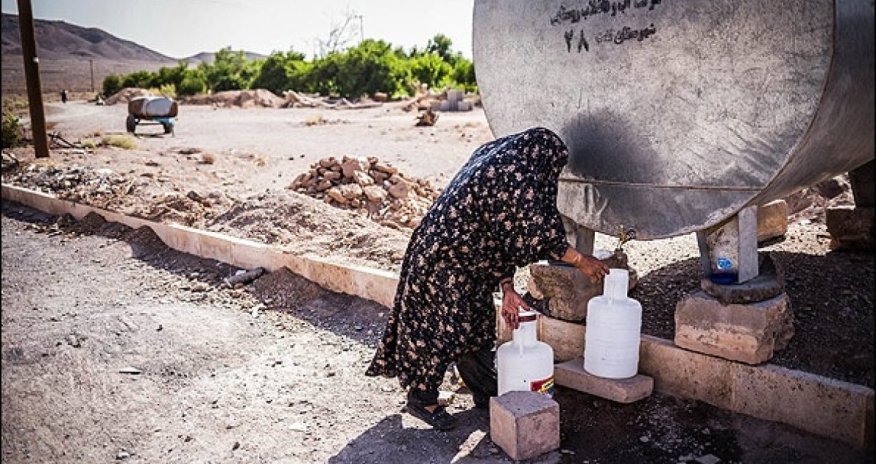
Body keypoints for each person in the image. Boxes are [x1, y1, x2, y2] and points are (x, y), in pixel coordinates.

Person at [366, 127, 609, 430]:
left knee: (477, 322)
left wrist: (507, 287)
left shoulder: (503, 161)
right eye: (553, 168)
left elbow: (500, 232)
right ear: (543, 159)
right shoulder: (516, 174)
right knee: (439, 327)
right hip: (443, 258)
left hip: (469, 259)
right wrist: (581, 260)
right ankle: (422, 398)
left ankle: (485, 390)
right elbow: (536, 233)